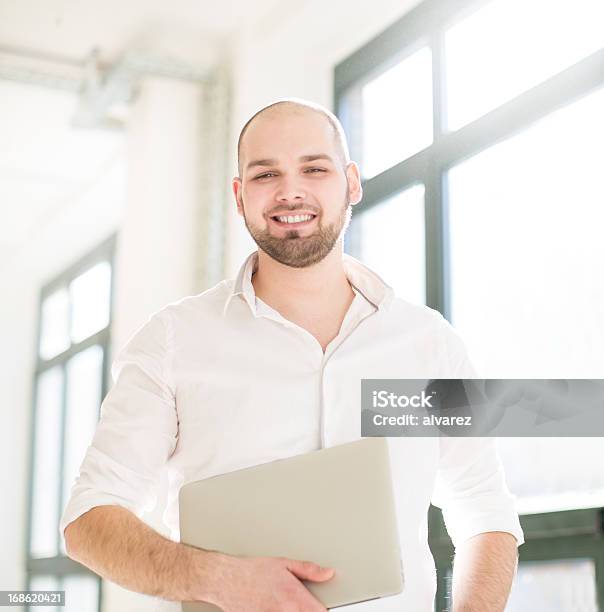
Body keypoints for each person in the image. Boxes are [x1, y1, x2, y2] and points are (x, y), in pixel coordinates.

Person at [62, 99, 524, 611]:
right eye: (265, 175)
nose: (290, 191)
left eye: (314, 168)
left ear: (350, 182)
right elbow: (90, 519)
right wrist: (218, 579)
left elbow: (485, 511)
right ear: (239, 198)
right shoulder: (173, 342)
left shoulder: (427, 345)